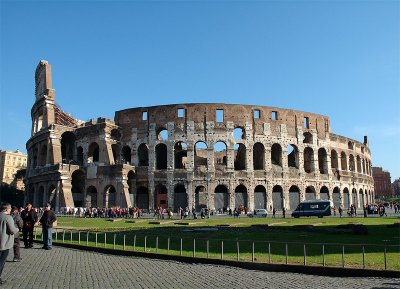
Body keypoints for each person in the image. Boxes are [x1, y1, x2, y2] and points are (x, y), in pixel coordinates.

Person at [0, 203, 19, 286]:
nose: (10, 209)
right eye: (10, 208)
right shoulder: (8, 217)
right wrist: (17, 229)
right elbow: (12, 230)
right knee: (1, 262)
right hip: (4, 243)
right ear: (6, 209)